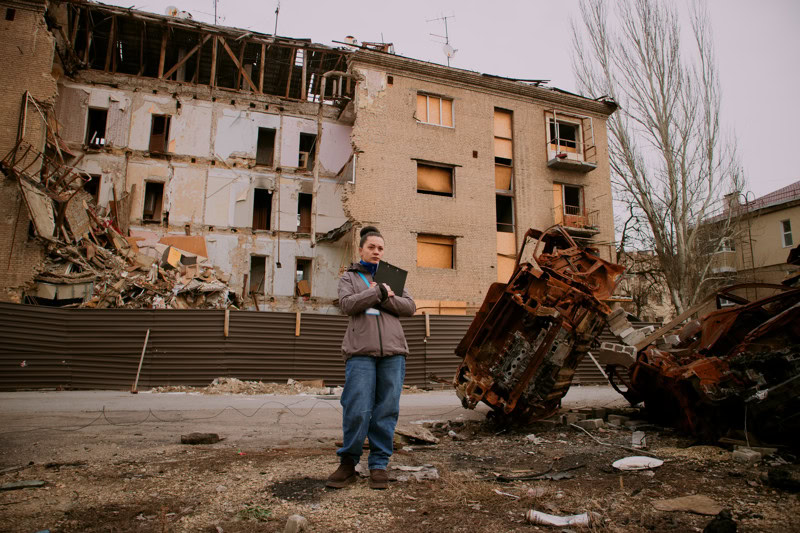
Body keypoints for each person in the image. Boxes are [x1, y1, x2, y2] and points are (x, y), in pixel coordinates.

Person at [326, 226, 416, 490]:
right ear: (362, 249)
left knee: (386, 410)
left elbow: (409, 307)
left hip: (393, 353)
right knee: (357, 408)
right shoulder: (350, 277)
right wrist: (376, 293)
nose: (377, 251)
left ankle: (378, 465)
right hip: (360, 353)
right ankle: (348, 463)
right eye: (372, 247)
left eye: (380, 248)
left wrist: (385, 297)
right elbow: (347, 305)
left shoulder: (393, 276)